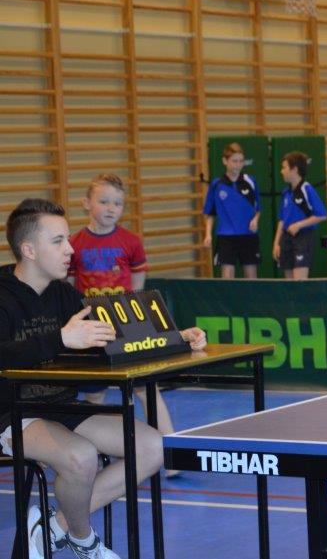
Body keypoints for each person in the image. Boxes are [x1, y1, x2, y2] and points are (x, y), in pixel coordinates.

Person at [0, 198, 207, 559]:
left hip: (61, 405)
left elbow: (115, 336)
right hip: (10, 412)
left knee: (152, 447)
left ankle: (54, 527)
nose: (70, 249)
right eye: (58, 241)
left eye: (68, 239)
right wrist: (60, 339)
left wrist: (176, 338)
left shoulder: (65, 295)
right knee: (81, 457)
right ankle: (84, 542)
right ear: (29, 249)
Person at [68, 173, 178, 476]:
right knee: (94, 395)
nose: (111, 208)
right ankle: (98, 453)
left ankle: (171, 454)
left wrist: (132, 315)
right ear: (86, 203)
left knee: (146, 389)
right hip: (93, 331)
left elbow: (138, 285)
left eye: (117, 203)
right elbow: (68, 286)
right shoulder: (74, 243)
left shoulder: (131, 241)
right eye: (104, 201)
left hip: (126, 328)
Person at [202, 142, 262, 279]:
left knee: (251, 277)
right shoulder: (216, 185)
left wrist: (255, 219)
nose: (238, 165)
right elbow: (210, 213)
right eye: (234, 161)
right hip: (226, 237)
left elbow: (258, 208)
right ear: (225, 161)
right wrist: (208, 234)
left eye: (241, 161)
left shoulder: (251, 181)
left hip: (248, 236)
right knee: (227, 277)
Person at [273, 151, 327, 280]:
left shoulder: (307, 189)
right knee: (289, 284)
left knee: (299, 283)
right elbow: (282, 220)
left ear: (294, 169)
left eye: (284, 167)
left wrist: (299, 225)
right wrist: (276, 243)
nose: (281, 171)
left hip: (303, 238)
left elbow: (322, 215)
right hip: (286, 239)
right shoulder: (286, 192)